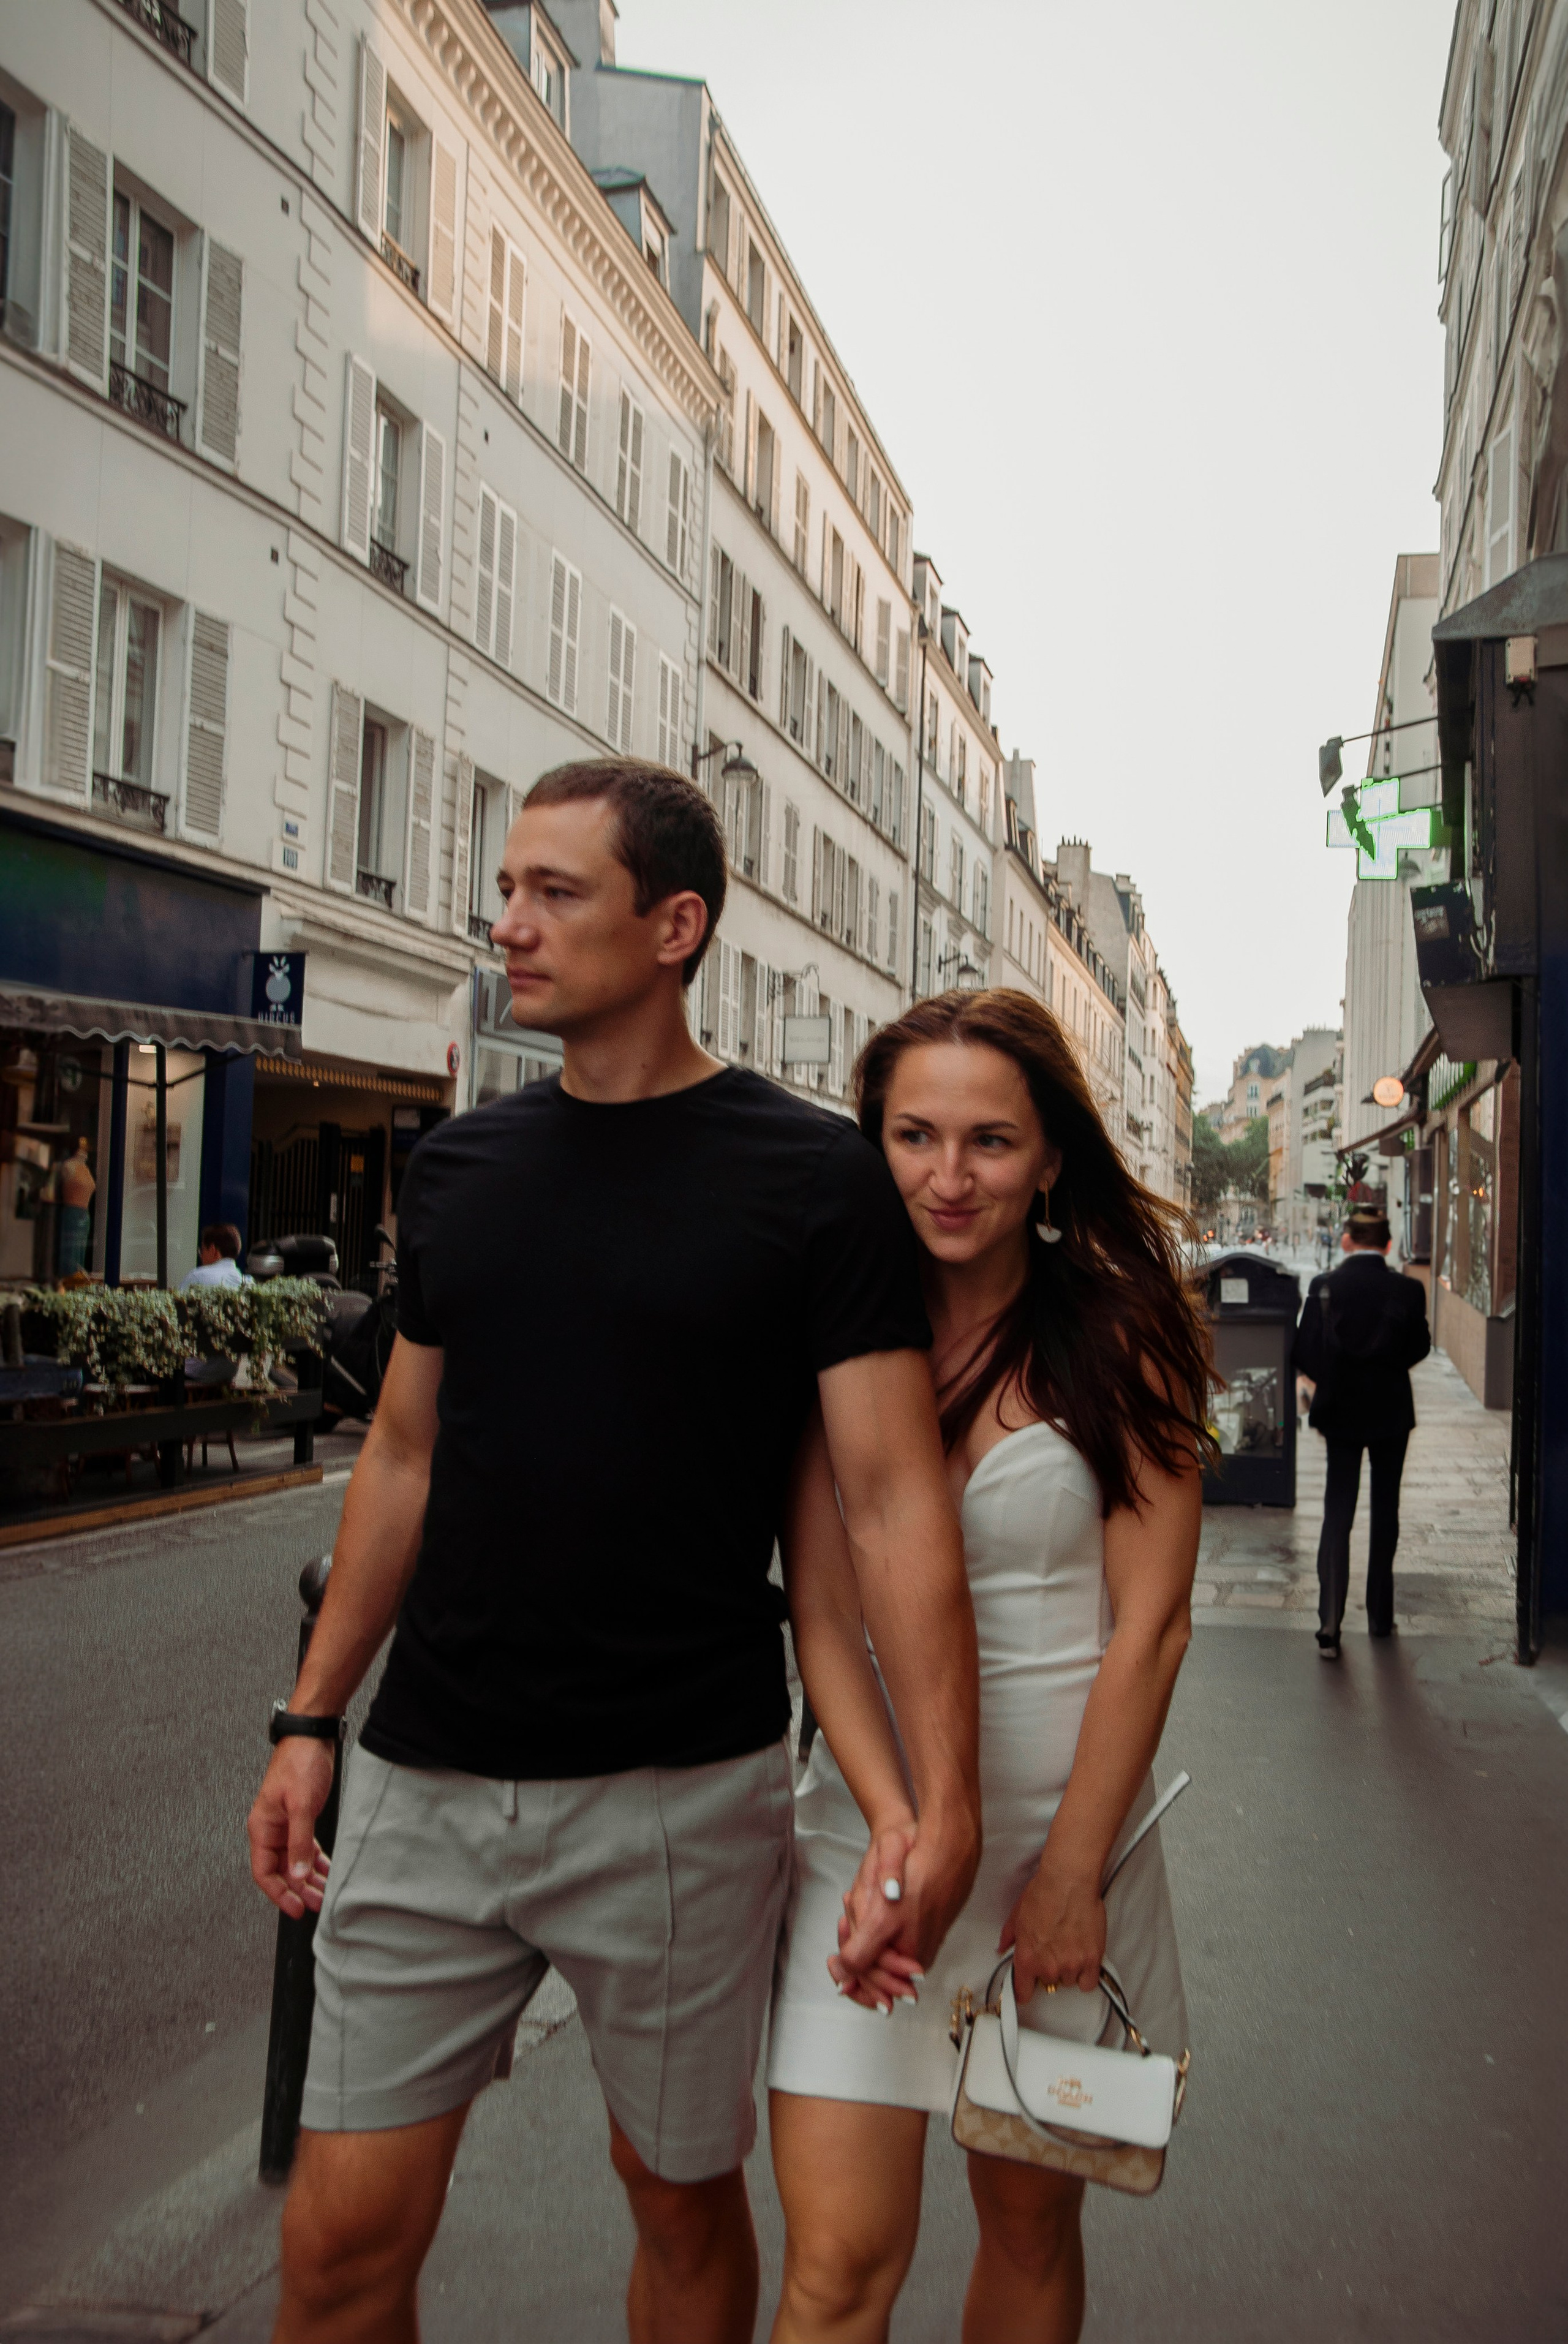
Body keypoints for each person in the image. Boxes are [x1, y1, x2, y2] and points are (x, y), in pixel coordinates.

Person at [246, 761, 981, 2344]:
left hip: (676, 1799)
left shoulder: (812, 1181)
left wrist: (938, 1794)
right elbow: (404, 1453)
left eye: (552, 892)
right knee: (337, 2247)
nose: (505, 921)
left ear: (675, 924)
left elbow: (888, 1498)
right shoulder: (461, 1169)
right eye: (505, 885)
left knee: (676, 2202)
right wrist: (312, 1717)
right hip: (428, 1782)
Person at [767, 989, 1210, 2344]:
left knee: (1025, 2230)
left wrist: (1072, 1870)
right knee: (835, 2261)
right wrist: (890, 1824)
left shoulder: (1122, 1327)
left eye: (987, 1141)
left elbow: (1151, 1622)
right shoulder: (831, 1327)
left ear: (1050, 1157)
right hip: (869, 1837)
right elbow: (820, 1608)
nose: (946, 1176)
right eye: (911, 1134)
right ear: (872, 1141)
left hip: (1060, 1847)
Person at [1292, 1204, 1431, 1657]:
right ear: (1388, 1244)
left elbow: (1306, 1351)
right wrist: (1385, 1368)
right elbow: (1419, 1346)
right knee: (1385, 1510)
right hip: (1391, 1411)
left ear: (1347, 1239)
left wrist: (1334, 1375)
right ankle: (1379, 1616)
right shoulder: (1409, 1290)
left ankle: (1330, 1620)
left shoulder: (1324, 1287)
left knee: (1338, 1510)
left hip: (1340, 1410)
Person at [182, 1223, 245, 1289]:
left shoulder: (197, 1277)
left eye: (203, 1251)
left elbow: (178, 1298)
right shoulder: (248, 1284)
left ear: (213, 1250)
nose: (201, 1257)